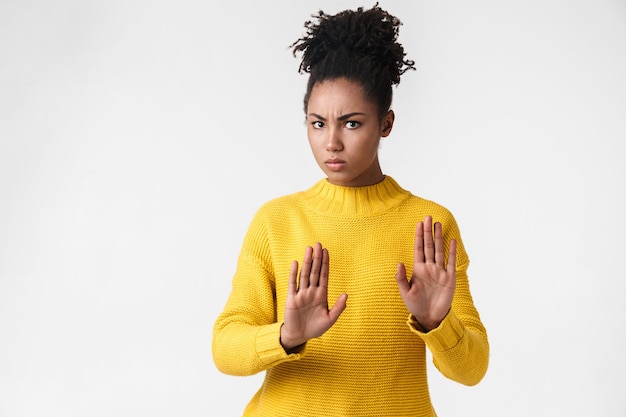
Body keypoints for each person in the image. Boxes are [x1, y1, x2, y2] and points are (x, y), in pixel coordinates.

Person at [212, 4, 489, 416]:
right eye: (318, 123)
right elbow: (225, 348)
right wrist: (287, 336)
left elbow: (472, 369)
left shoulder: (430, 225)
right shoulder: (276, 221)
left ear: (386, 123)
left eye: (352, 123)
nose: (332, 143)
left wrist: (437, 322)